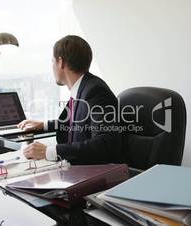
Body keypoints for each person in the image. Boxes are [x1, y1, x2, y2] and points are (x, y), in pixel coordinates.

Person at [18, 35, 121, 164]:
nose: (52, 66)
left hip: (95, 174)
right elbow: (76, 122)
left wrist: (50, 151)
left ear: (61, 62)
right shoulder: (82, 87)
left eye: (52, 61)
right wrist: (43, 125)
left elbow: (104, 143)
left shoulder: (95, 91)